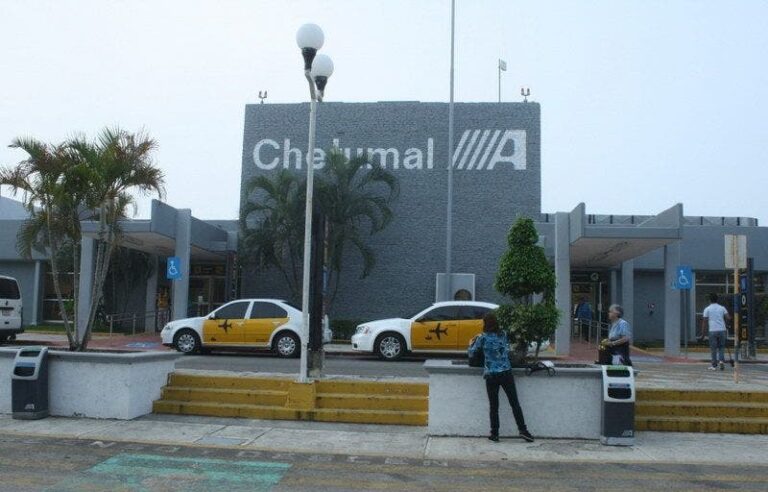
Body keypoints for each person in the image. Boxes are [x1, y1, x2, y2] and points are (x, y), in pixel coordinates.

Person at [468, 312, 534, 443]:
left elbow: (472, 352)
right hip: (506, 373)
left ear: (485, 324)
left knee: (494, 406)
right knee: (514, 403)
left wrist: (471, 343)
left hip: (491, 375)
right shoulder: (503, 334)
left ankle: (495, 433)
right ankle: (523, 430)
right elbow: (507, 348)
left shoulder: (482, 338)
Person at [701, 293, 731, 371]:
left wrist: (703, 333)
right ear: (717, 299)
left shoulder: (707, 309)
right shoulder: (722, 308)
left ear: (709, 300)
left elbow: (704, 322)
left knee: (713, 348)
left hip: (712, 330)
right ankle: (721, 361)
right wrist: (726, 325)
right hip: (722, 330)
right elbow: (728, 317)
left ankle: (714, 365)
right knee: (721, 347)